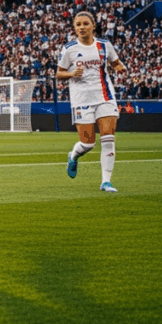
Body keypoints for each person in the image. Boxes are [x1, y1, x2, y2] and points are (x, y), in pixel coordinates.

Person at [56, 11, 127, 192]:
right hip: (81, 99)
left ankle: (106, 181)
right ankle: (73, 156)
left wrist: (120, 68)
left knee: (108, 140)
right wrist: (71, 74)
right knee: (88, 143)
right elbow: (59, 73)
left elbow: (115, 63)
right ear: (74, 27)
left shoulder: (104, 45)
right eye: (78, 24)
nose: (82, 27)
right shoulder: (69, 49)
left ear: (93, 25)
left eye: (85, 24)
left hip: (105, 96)